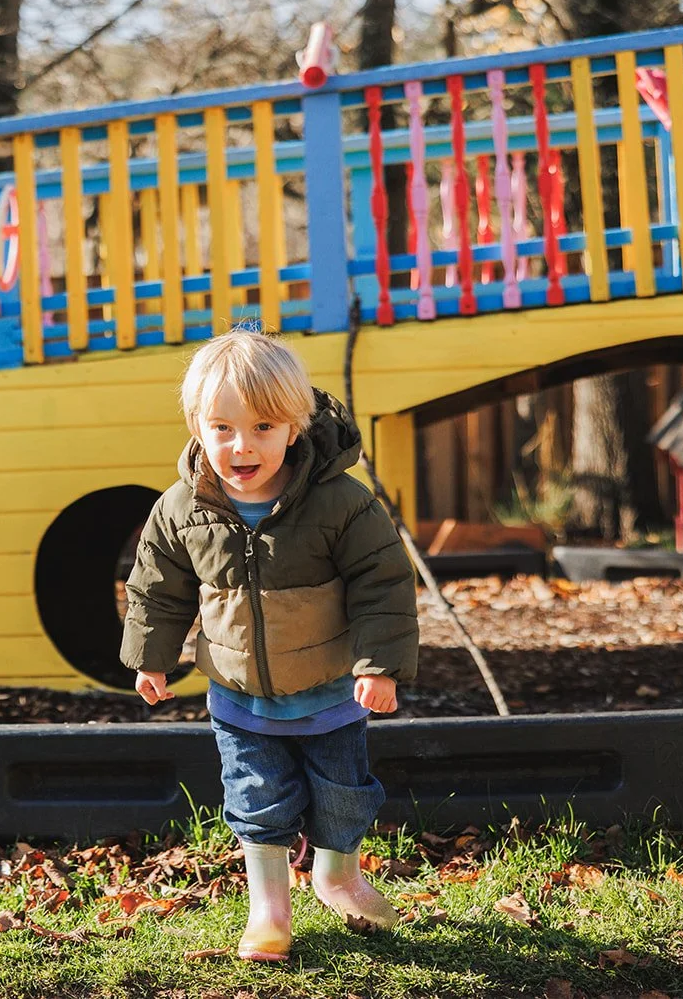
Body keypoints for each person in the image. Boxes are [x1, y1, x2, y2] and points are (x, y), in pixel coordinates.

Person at [121, 328, 419, 961]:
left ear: (294, 426)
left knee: (342, 796)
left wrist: (380, 666)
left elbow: (383, 584)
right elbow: (156, 589)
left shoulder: (341, 504)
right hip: (239, 695)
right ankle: (269, 909)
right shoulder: (182, 509)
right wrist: (151, 657)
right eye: (222, 427)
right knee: (257, 800)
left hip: (332, 691)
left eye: (262, 427)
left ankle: (337, 874)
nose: (241, 445)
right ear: (197, 426)